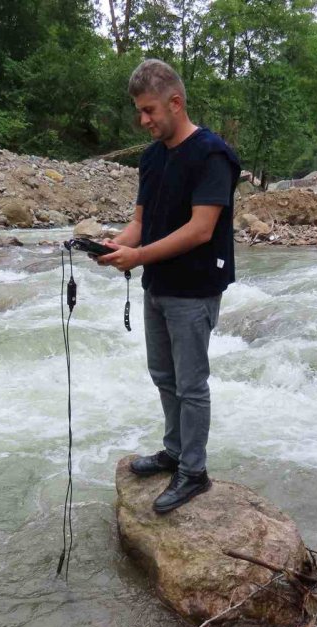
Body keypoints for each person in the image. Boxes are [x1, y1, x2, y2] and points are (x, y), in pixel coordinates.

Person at [98, 59, 241, 514]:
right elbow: (140, 223)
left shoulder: (212, 154)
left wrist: (136, 257)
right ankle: (175, 452)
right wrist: (112, 244)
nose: (143, 120)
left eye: (149, 110)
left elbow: (201, 229)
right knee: (164, 376)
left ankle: (193, 471)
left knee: (192, 383)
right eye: (139, 112)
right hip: (157, 284)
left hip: (195, 288)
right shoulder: (152, 156)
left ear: (175, 103)